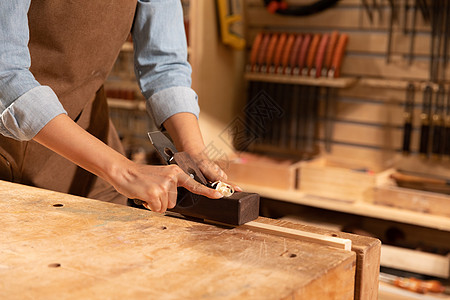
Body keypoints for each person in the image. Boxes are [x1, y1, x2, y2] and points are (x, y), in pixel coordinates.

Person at [0, 1, 234, 213]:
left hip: (91, 143)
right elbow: (6, 77)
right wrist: (125, 172)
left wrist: (193, 155)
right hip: (7, 150)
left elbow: (165, 67)